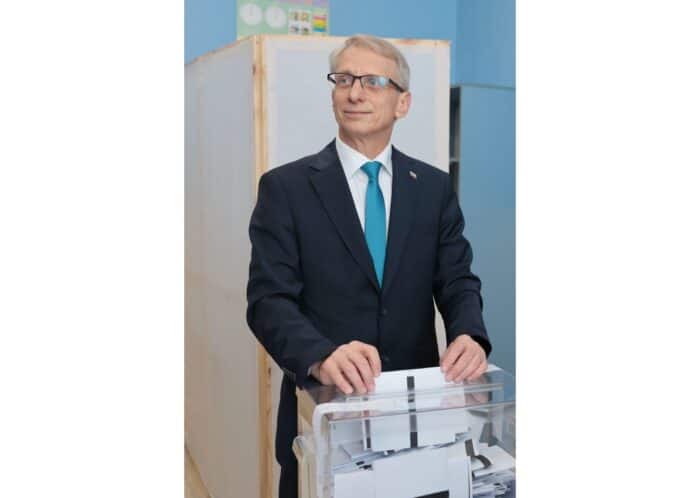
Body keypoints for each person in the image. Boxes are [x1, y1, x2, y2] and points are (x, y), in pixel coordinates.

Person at [246, 34, 491, 498]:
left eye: (373, 82)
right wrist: (321, 355)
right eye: (344, 79)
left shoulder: (433, 188)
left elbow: (457, 279)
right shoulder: (286, 188)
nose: (355, 92)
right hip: (324, 415)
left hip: (416, 415)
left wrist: (469, 334)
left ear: (403, 103)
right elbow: (267, 302)